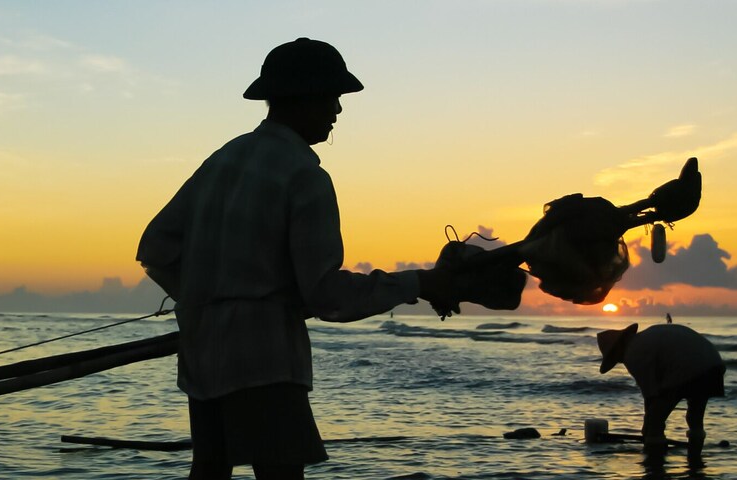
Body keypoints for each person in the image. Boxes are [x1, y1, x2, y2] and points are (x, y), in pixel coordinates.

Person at [136, 38, 490, 479]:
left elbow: (156, 249)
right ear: (300, 98)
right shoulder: (304, 175)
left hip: (202, 353)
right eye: (330, 97)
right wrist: (418, 283)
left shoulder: (223, 160)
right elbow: (326, 296)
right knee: (281, 474)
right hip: (265, 360)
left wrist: (204, 300)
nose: (337, 110)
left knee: (210, 471)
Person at [596, 316, 726, 459]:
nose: (619, 361)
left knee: (655, 422)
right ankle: (695, 459)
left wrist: (648, 425)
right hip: (713, 364)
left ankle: (655, 463)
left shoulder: (632, 353)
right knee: (695, 417)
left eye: (614, 358)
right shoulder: (646, 337)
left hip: (686, 369)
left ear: (617, 349)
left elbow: (651, 394)